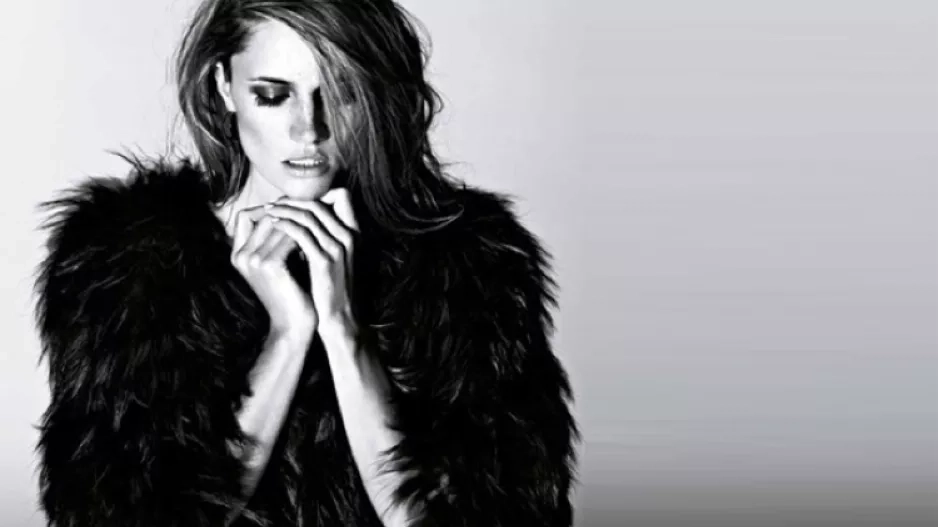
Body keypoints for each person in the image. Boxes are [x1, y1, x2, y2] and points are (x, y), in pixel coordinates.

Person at [32, 1, 578, 526]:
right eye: (273, 95)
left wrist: (344, 333)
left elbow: (494, 514)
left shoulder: (468, 262)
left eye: (341, 93)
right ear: (224, 87)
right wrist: (289, 335)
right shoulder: (125, 262)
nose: (307, 129)